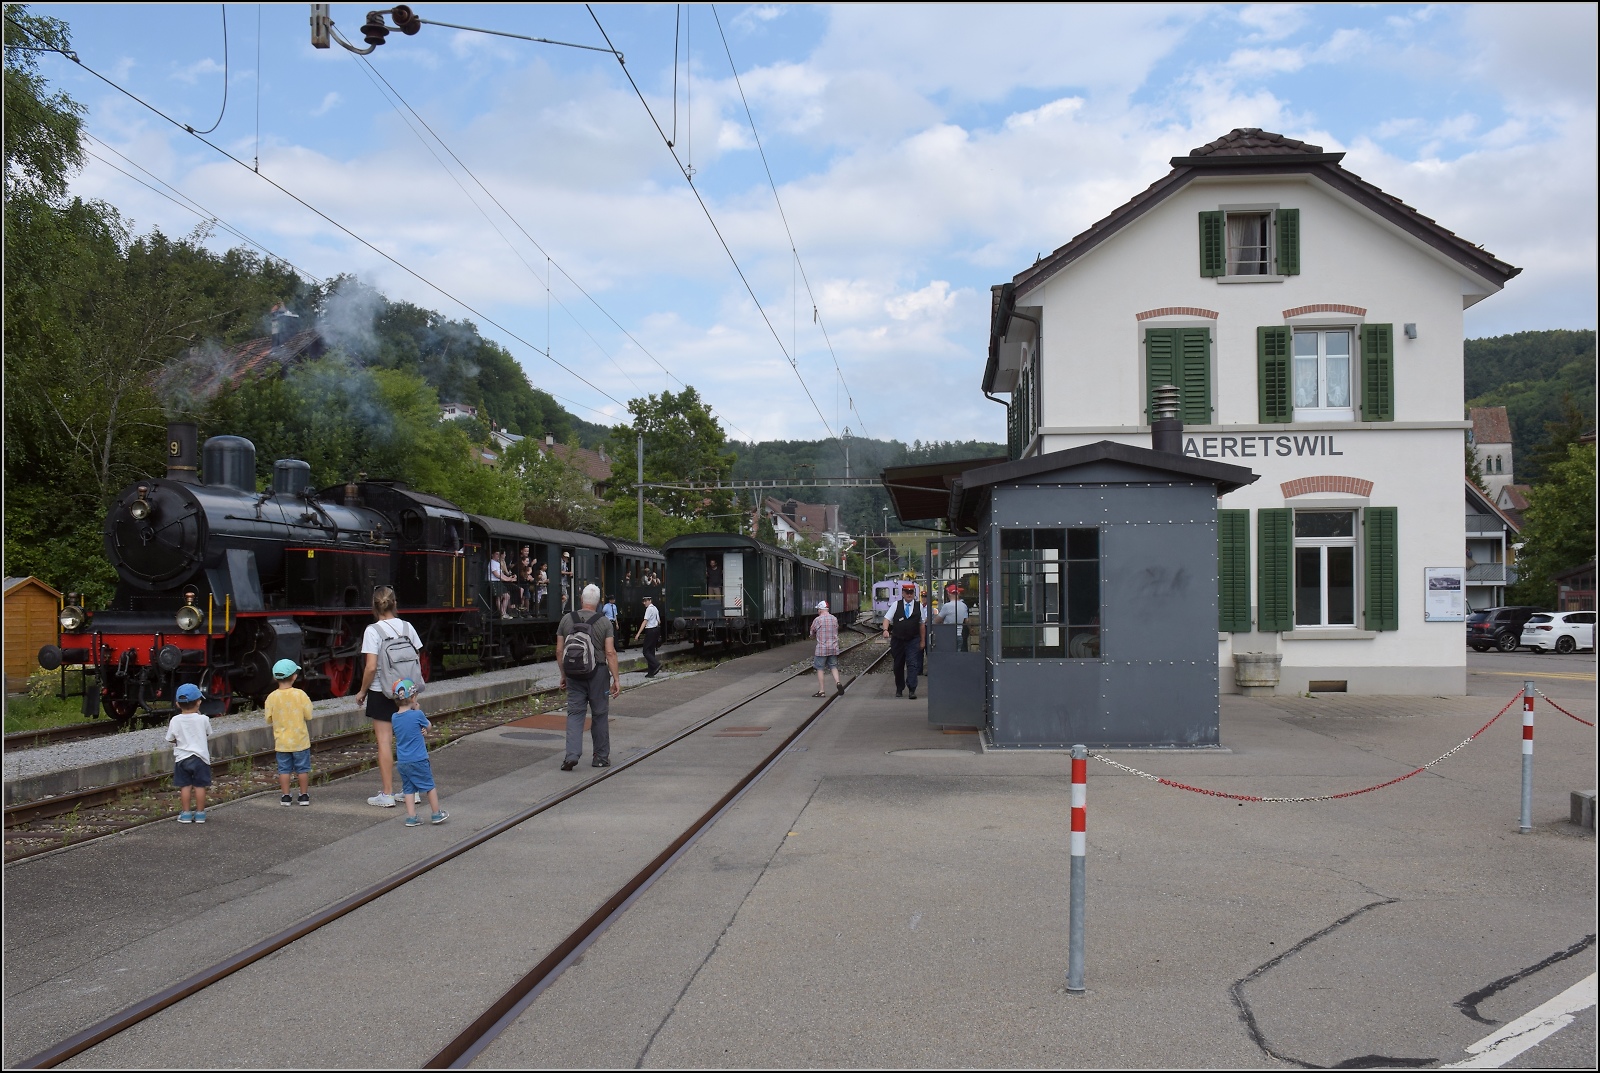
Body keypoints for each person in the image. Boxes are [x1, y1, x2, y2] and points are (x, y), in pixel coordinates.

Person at [354, 585, 426, 808]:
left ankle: (387, 794)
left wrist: (362, 691)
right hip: (407, 692)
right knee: (410, 741)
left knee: (384, 742)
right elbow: (417, 656)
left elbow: (371, 667)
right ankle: (411, 792)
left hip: (381, 691)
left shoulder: (372, 631)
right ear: (395, 603)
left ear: (374, 606)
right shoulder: (407, 626)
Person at [557, 583, 621, 771]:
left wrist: (563, 674)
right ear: (599, 602)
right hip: (598, 673)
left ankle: (572, 755)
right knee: (600, 714)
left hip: (573, 674)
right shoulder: (604, 622)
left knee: (575, 713)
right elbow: (610, 652)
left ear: (581, 600)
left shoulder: (566, 619)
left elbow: (560, 650)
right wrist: (616, 679)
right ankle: (600, 757)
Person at [390, 679, 447, 827]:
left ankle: (411, 817)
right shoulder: (418, 714)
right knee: (429, 786)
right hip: (419, 759)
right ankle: (436, 813)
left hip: (403, 761)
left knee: (408, 789)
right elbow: (428, 726)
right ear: (413, 698)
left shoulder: (394, 718)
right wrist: (422, 723)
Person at [266, 658, 313, 805]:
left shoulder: (271, 697)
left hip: (282, 742)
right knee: (302, 770)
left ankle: (286, 796)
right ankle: (303, 795)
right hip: (300, 740)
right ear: (294, 676)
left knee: (284, 770)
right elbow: (309, 715)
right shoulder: (300, 695)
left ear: (275, 677)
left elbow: (268, 718)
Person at [166, 683, 212, 823]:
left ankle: (186, 814)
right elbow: (208, 733)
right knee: (199, 786)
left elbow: (170, 739)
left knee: (185, 786)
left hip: (182, 758)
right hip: (201, 758)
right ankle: (200, 814)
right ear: (199, 702)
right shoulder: (203, 719)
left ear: (177, 704)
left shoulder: (175, 720)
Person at [882, 581, 926, 700]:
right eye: (907, 592)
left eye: (911, 592)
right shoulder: (896, 605)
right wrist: (885, 629)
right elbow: (887, 618)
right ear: (902, 593)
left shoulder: (919, 606)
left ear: (914, 593)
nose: (909, 594)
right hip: (898, 640)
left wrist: (923, 641)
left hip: (913, 639)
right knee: (898, 665)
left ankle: (912, 689)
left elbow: (922, 624)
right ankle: (899, 688)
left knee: (912, 664)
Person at [810, 600, 842, 697]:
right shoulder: (834, 619)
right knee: (833, 666)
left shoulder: (817, 620)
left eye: (818, 609)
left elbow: (812, 631)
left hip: (821, 649)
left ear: (820, 610)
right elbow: (837, 629)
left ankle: (822, 691)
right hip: (833, 648)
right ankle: (838, 682)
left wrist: (812, 635)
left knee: (820, 668)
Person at [633, 593, 662, 677]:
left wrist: (638, 634)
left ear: (650, 600)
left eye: (645, 601)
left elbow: (645, 621)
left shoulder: (649, 609)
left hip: (650, 630)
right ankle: (651, 672)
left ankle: (656, 664)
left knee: (645, 651)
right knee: (651, 651)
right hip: (656, 630)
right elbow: (659, 621)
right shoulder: (655, 609)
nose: (644, 603)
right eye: (643, 601)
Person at [489, 550, 512, 619]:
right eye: (496, 554)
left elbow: (501, 574)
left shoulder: (497, 563)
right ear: (492, 555)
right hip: (494, 582)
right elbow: (496, 575)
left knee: (507, 596)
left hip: (498, 582)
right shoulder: (492, 562)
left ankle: (503, 612)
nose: (498, 556)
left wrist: (508, 578)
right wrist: (507, 579)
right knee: (499, 597)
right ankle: (502, 613)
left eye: (498, 554)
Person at [517, 546, 534, 612]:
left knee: (527, 597)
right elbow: (523, 575)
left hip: (525, 584)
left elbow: (529, 571)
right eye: (527, 561)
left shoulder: (526, 567)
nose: (528, 562)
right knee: (522, 598)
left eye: (528, 551)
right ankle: (521, 611)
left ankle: (526, 612)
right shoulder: (520, 566)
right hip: (520, 583)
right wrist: (528, 576)